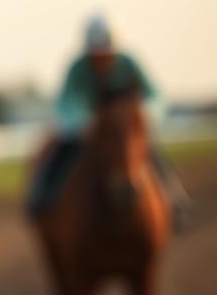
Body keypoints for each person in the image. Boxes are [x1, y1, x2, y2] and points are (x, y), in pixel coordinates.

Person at [27, 14, 189, 221]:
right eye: (97, 55)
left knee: (151, 153)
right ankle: (42, 199)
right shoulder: (78, 68)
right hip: (86, 131)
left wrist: (146, 115)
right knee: (57, 154)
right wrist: (82, 123)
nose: (102, 60)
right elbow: (65, 104)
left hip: (122, 129)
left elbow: (155, 95)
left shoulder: (129, 63)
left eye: (106, 54)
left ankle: (175, 199)